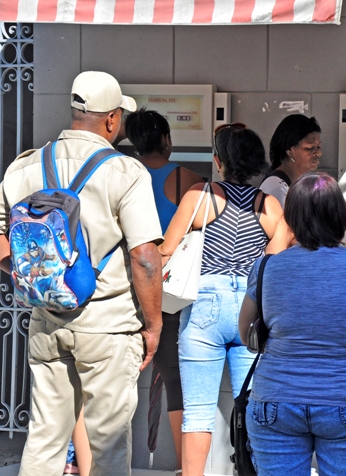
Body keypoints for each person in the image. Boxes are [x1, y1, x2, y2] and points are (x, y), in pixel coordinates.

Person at [0, 71, 164, 476]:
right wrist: (153, 324)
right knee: (109, 444)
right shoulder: (125, 172)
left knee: (44, 439)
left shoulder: (27, 166)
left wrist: (23, 272)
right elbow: (145, 257)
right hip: (108, 326)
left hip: (46, 320)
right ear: (111, 119)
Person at [239, 172, 346, 476]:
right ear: (341, 217)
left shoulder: (266, 267)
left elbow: (246, 333)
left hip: (276, 401)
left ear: (291, 218)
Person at [159, 124, 287, 476]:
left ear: (219, 161)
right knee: (251, 410)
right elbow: (274, 263)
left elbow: (166, 251)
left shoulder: (200, 196)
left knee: (197, 411)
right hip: (250, 309)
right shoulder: (270, 206)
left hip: (204, 307)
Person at [126, 108, 204, 474]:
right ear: (168, 140)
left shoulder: (124, 174)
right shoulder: (187, 180)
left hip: (126, 289)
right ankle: (186, 467)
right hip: (169, 293)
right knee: (174, 378)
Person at [259, 114, 321, 207]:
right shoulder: (276, 188)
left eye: (318, 146)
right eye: (309, 148)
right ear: (289, 150)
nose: (318, 153)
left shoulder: (297, 183)